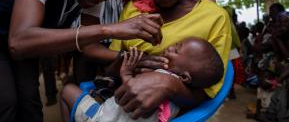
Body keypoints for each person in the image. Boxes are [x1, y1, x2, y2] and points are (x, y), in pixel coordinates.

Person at [0, 0, 163, 122]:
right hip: (16, 39)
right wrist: (108, 29)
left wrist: (129, 58)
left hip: (20, 43)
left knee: (30, 102)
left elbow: (89, 47)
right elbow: (19, 41)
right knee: (6, 103)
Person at [107, 0, 230, 119]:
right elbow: (111, 68)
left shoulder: (214, 18)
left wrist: (168, 84)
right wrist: (129, 63)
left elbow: (209, 93)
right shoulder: (132, 10)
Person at [60, 38, 224, 122]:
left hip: (101, 118)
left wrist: (126, 72)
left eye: (178, 49)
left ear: (185, 76)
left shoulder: (159, 78)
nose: (171, 46)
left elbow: (124, 94)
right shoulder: (180, 97)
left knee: (68, 90)